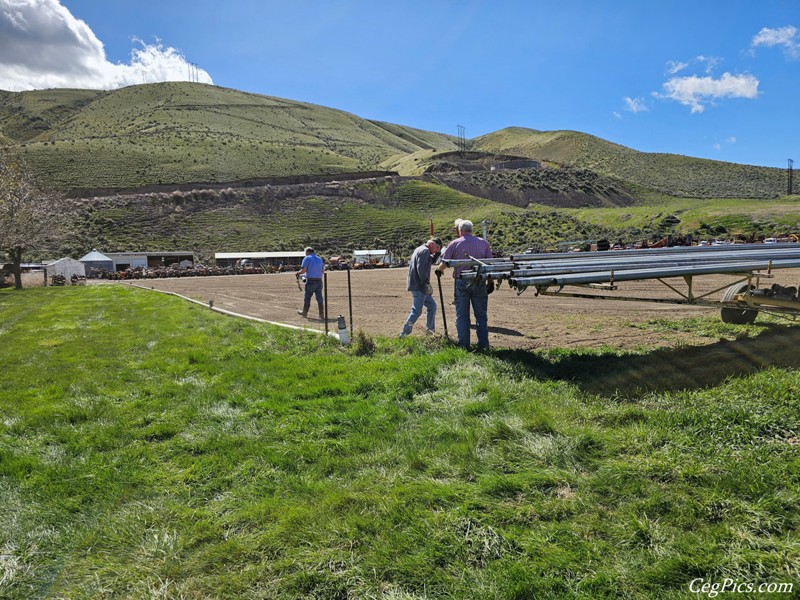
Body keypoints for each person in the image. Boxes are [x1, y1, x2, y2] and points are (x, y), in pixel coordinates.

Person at [436, 220, 493, 350]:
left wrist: (439, 270)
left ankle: (464, 345)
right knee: (481, 315)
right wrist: (490, 281)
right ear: (471, 230)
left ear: (460, 230)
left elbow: (444, 263)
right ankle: (483, 345)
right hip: (479, 281)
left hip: (461, 282)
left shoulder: (455, 243)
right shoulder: (483, 243)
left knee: (462, 315)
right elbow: (490, 264)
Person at [400, 237, 442, 338]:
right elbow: (421, 269)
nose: (436, 251)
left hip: (417, 285)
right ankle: (404, 334)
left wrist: (437, 254)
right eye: (437, 248)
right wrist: (426, 283)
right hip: (420, 286)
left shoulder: (420, 249)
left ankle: (430, 332)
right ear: (432, 244)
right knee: (416, 311)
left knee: (432, 306)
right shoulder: (425, 251)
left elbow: (429, 261)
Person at [296, 246, 325, 319]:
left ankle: (304, 313)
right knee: (319, 298)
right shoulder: (320, 259)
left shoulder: (307, 258)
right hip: (319, 280)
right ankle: (321, 315)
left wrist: (298, 273)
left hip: (311, 281)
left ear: (308, 252)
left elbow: (304, 270)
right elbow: (322, 271)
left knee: (307, 297)